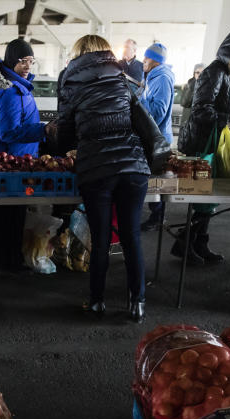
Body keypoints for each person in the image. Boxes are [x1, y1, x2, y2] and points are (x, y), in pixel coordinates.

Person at [52, 35, 151, 322]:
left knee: (101, 238)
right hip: (133, 166)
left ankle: (97, 302)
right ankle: (138, 304)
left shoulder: (72, 83)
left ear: (78, 55)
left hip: (98, 168)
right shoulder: (123, 78)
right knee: (132, 237)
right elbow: (139, 119)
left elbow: (65, 135)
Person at [177, 27, 230, 263]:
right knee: (202, 197)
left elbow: (225, 106)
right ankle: (186, 244)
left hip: (214, 143)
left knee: (209, 197)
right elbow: (201, 109)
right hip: (202, 144)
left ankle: (196, 243)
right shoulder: (214, 72)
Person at [0, 39, 44, 274]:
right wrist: (43, 130)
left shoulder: (16, 85)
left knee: (0, 210)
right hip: (12, 162)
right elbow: (9, 132)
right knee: (11, 212)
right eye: (22, 61)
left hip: (8, 160)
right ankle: (7, 262)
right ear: (10, 61)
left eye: (30, 61)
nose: (27, 66)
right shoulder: (10, 93)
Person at [138, 42, 174, 231]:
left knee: (156, 180)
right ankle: (156, 214)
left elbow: (158, 111)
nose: (143, 60)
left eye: (147, 57)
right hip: (155, 136)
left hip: (157, 138)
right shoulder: (154, 76)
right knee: (153, 178)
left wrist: (141, 100)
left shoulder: (161, 78)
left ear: (156, 61)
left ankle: (157, 217)